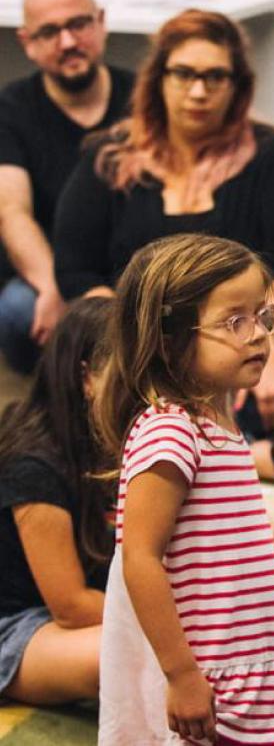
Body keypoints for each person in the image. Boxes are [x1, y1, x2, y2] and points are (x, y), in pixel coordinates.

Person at [51, 8, 274, 490]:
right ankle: (246, 454)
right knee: (78, 378)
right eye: (184, 74)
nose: (198, 91)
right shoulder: (109, 155)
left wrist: (273, 353)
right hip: (134, 342)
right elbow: (76, 271)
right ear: (159, 78)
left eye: (214, 77)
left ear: (236, 85)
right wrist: (135, 350)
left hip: (244, 334)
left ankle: (171, 450)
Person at [94, 235, 274, 745]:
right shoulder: (172, 432)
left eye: (265, 316)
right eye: (235, 321)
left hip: (244, 651)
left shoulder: (222, 426)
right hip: (211, 667)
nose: (259, 334)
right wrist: (181, 674)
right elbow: (139, 558)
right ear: (170, 339)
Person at [0, 0, 134, 373]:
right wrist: (55, 286)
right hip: (49, 270)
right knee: (20, 310)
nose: (69, 42)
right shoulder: (10, 109)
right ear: (28, 43)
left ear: (101, 22)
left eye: (78, 24)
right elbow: (11, 210)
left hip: (130, 269)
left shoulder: (146, 99)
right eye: (50, 32)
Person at [0, 298, 114, 705]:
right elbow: (71, 606)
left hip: (76, 597)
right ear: (88, 378)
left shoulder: (102, 437)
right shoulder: (34, 464)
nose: (149, 390)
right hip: (15, 625)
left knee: (247, 570)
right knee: (141, 654)